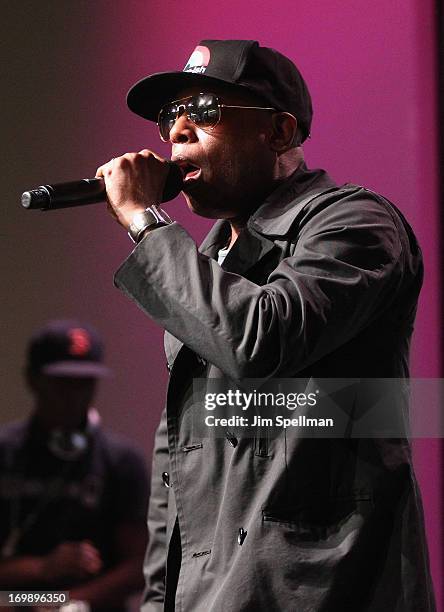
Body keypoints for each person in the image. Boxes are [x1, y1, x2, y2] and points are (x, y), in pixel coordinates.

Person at [96, 40, 435, 611]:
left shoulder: (355, 223)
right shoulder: (206, 264)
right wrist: (158, 600)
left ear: (278, 133)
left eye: (202, 109)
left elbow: (261, 337)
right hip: (210, 593)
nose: (177, 131)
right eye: (168, 117)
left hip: (320, 590)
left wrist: (144, 222)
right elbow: (177, 458)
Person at [0, 320, 149, 612]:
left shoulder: (122, 461)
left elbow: (140, 566)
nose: (75, 394)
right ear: (32, 379)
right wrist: (43, 570)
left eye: (86, 383)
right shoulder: (4, 452)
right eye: (63, 382)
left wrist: (72, 603)